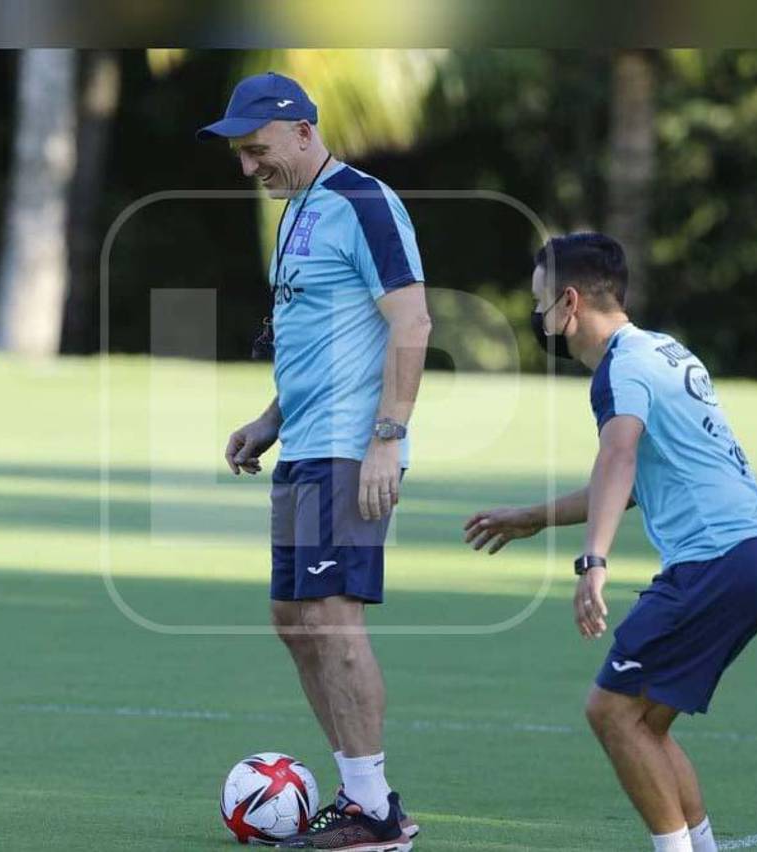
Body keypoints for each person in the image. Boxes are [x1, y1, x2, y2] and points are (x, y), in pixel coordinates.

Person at [464, 233, 757, 852]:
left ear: (569, 302)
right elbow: (634, 480)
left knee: (610, 712)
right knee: (645, 724)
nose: (537, 318)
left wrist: (593, 561)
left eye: (539, 305)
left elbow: (619, 454)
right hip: (756, 556)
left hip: (716, 562)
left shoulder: (621, 368)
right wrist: (534, 517)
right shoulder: (664, 351)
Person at [198, 72, 430, 851]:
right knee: (294, 623)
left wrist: (388, 437)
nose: (248, 167)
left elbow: (412, 320)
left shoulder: (364, 202)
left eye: (256, 149)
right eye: (239, 154)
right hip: (306, 445)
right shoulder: (296, 210)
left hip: (350, 449)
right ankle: (360, 797)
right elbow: (315, 341)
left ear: (301, 131)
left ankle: (375, 812)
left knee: (332, 622)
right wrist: (269, 418)